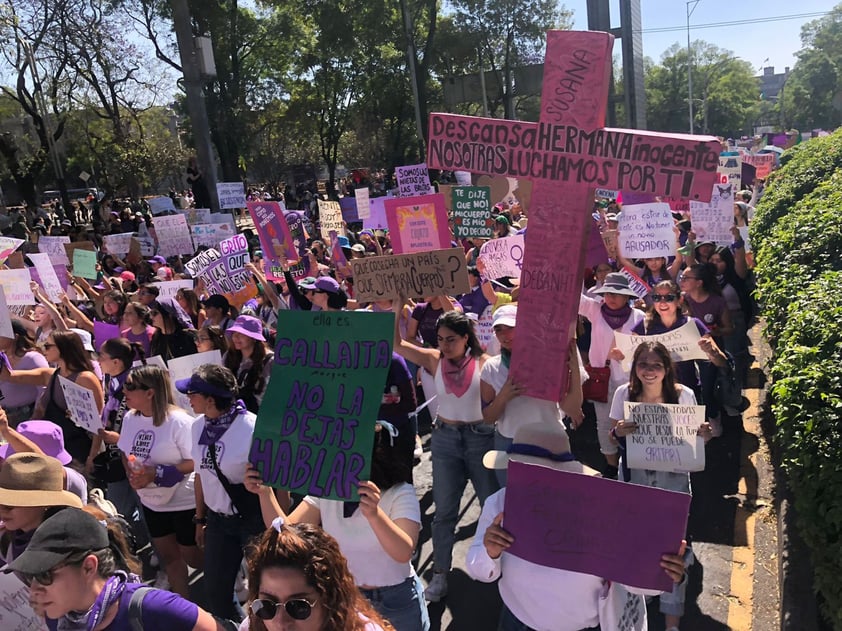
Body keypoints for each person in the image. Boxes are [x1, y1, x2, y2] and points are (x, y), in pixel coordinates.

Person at [467, 421, 688, 631]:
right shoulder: (499, 503)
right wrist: (490, 552)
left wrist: (663, 571)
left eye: (536, 473)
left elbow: (631, 583)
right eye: (519, 470)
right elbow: (479, 571)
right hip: (517, 620)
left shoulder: (598, 511)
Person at [244, 422, 429, 631]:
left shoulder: (400, 492)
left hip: (397, 599)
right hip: (349, 597)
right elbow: (285, 533)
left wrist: (374, 515)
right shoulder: (328, 491)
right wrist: (265, 493)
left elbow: (403, 552)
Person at [393, 306, 498, 602]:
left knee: (492, 505)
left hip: (480, 439)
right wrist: (397, 304)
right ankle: (440, 574)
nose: (443, 345)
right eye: (440, 339)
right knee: (444, 512)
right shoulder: (433, 360)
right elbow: (397, 344)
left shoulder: (485, 363)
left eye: (450, 339)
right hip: (445, 441)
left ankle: (496, 564)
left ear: (466, 338)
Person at [610, 341, 711, 631]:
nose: (649, 371)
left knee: (673, 550)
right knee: (634, 540)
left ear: (667, 369)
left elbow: (697, 438)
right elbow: (614, 433)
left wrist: (705, 433)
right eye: (643, 364)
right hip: (634, 478)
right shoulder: (623, 393)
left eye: (656, 365)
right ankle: (639, 598)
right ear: (635, 368)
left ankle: (671, 622)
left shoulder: (685, 396)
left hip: (673, 480)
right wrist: (619, 431)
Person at [5, 507, 227, 630]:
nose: (33, 590)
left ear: (88, 567)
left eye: (44, 574)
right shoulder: (58, 618)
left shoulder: (155, 608)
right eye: (30, 576)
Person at [178, 364, 264, 621]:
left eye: (192, 393)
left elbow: (275, 486)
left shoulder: (252, 429)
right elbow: (201, 475)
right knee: (216, 594)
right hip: (217, 522)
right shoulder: (197, 427)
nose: (187, 398)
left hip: (253, 523)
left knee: (263, 595)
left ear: (211, 400)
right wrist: (200, 518)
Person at [116, 365, 201, 600]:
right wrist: (132, 473)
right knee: (170, 557)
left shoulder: (179, 421)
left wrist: (156, 473)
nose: (124, 391)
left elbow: (195, 461)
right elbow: (125, 451)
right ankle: (184, 609)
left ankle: (230, 570)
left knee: (193, 556)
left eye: (131, 387)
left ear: (150, 392)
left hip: (183, 502)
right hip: (152, 502)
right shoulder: (130, 418)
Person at [480, 304, 584, 487]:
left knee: (551, 503)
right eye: (498, 329)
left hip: (550, 441)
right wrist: (504, 395)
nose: (504, 335)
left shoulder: (552, 361)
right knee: (511, 503)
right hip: (509, 442)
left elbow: (572, 408)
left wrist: (573, 369)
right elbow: (488, 417)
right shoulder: (491, 367)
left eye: (510, 328)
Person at [242, 520, 394, 630]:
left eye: (299, 607)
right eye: (267, 606)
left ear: (330, 601)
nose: (281, 622)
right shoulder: (253, 626)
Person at [0, 330, 104, 466]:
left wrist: (93, 457)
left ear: (63, 348)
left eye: (48, 346)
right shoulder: (53, 374)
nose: (44, 349)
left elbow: (97, 422)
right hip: (54, 449)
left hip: (78, 452)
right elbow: (10, 376)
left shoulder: (85, 379)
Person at [578, 272, 644, 474]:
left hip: (632, 381)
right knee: (604, 423)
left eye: (616, 293)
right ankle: (611, 466)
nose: (611, 298)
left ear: (627, 297)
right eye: (607, 293)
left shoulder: (639, 317)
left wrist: (627, 355)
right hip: (602, 379)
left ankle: (634, 462)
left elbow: (647, 349)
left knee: (633, 423)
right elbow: (571, 295)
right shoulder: (595, 310)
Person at [0, 452, 84, 579]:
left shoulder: (65, 548)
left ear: (46, 503)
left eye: (10, 505)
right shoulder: (11, 539)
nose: (2, 511)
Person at [0, 321, 49, 425]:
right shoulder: (2, 358)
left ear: (15, 336)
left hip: (25, 415)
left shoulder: (32, 358)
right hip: (4, 415)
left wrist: (37, 414)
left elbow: (44, 388)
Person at [222, 315, 273, 413]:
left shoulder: (270, 361)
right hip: (234, 413)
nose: (236, 337)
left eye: (241, 334)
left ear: (254, 338)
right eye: (234, 333)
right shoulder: (229, 356)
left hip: (260, 414)